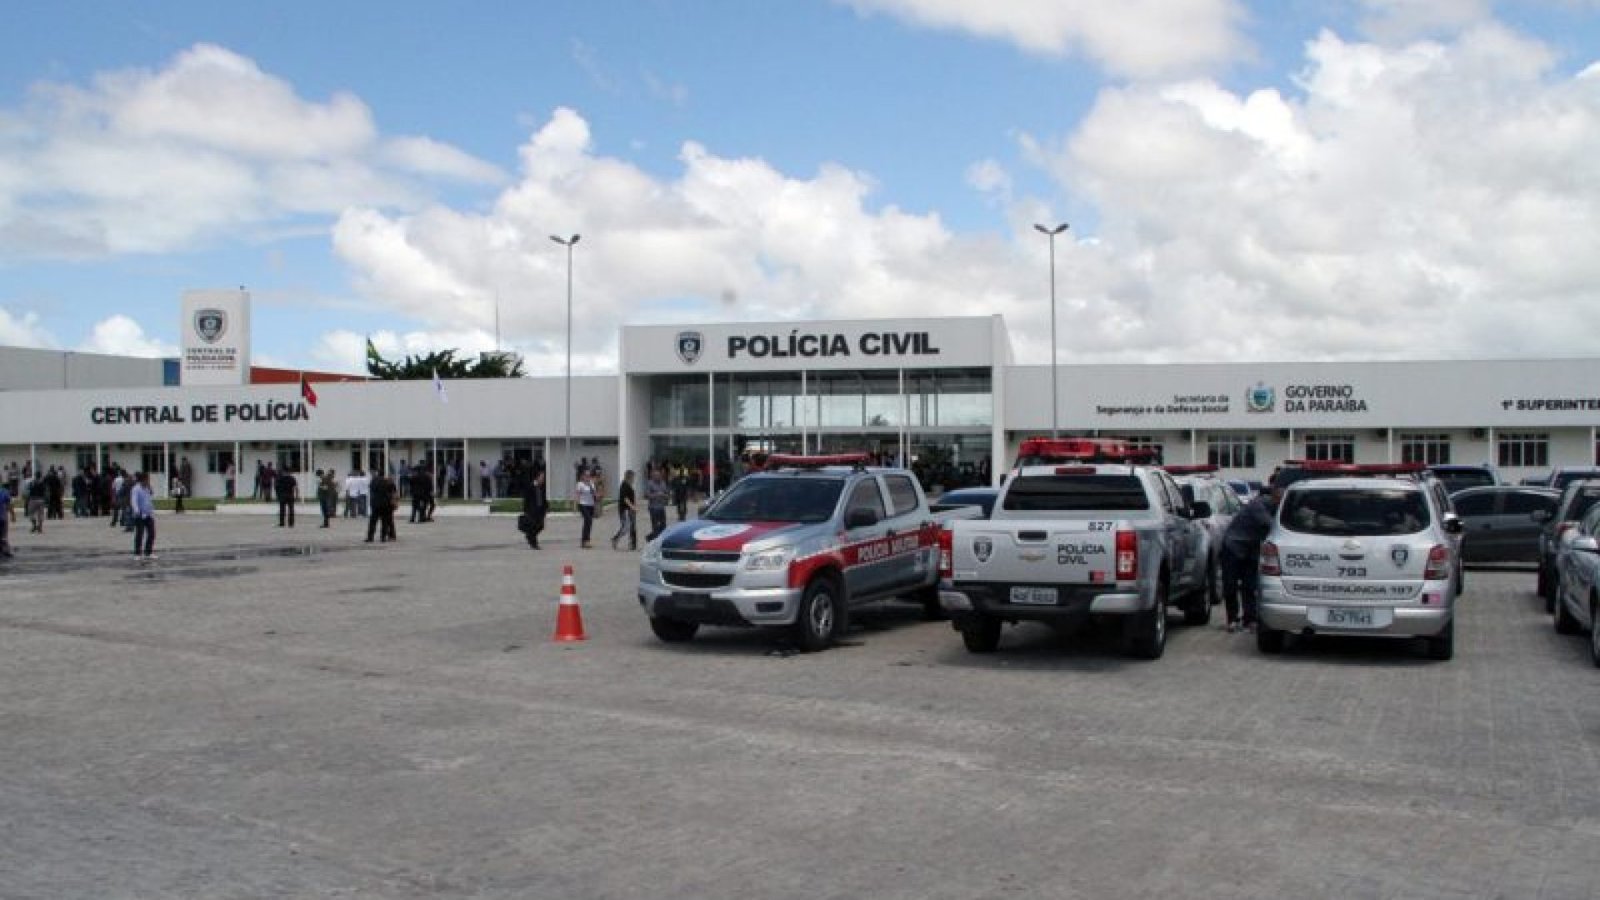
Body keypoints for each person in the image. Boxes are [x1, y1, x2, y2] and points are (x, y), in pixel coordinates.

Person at [1219, 480, 1283, 633]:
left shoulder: (1276, 507)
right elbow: (1270, 525)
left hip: (1252, 548)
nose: (1282, 498)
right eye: (1280, 494)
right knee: (1230, 584)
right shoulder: (1258, 505)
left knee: (1250, 585)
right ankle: (1232, 619)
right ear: (1274, 494)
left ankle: (1250, 620)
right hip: (1233, 546)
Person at [130, 471, 157, 561]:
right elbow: (134, 501)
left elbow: (150, 498)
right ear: (142, 480)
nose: (148, 481)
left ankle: (148, 552)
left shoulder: (147, 488)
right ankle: (137, 553)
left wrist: (150, 488)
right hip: (140, 515)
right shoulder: (136, 489)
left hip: (148, 514)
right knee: (139, 534)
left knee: (152, 533)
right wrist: (137, 510)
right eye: (147, 480)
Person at [610, 469, 638, 551]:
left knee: (632, 527)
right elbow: (625, 499)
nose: (634, 479)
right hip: (625, 510)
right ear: (629, 477)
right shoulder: (624, 485)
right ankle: (615, 539)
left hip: (630, 510)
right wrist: (632, 507)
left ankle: (633, 544)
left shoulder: (628, 485)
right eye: (633, 477)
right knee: (626, 527)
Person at [520, 469, 548, 549]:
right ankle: (534, 544)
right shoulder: (530, 486)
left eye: (543, 477)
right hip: (532, 510)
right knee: (533, 526)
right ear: (537, 478)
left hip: (540, 510)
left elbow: (543, 498)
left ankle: (529, 536)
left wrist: (546, 507)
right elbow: (526, 499)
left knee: (540, 526)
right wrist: (525, 510)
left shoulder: (542, 487)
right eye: (542, 477)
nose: (543, 479)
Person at [366, 469, 397, 542]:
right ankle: (383, 537)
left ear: (377, 474)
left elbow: (371, 489)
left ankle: (370, 537)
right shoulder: (388, 482)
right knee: (384, 522)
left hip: (375, 504)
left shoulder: (373, 481)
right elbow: (392, 492)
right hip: (385, 504)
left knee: (373, 521)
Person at [644, 467, 670, 541]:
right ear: (653, 476)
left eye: (659, 475)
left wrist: (665, 496)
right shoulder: (650, 483)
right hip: (653, 507)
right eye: (656, 476)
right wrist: (657, 494)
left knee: (663, 526)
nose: (658, 477)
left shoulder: (663, 483)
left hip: (661, 507)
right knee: (655, 525)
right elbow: (646, 495)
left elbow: (667, 495)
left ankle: (650, 537)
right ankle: (655, 541)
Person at [574, 469, 597, 549]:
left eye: (589, 476)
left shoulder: (591, 484)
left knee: (588, 523)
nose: (588, 477)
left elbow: (594, 494)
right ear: (583, 476)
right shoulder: (580, 484)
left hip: (591, 505)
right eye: (586, 476)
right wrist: (575, 504)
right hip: (583, 504)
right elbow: (577, 495)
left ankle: (585, 541)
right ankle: (586, 541)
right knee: (588, 520)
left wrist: (591, 486)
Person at [0, 481, 12, 558]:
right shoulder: (5, 492)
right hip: (2, 517)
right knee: (4, 535)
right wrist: (13, 514)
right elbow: (9, 505)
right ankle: (5, 551)